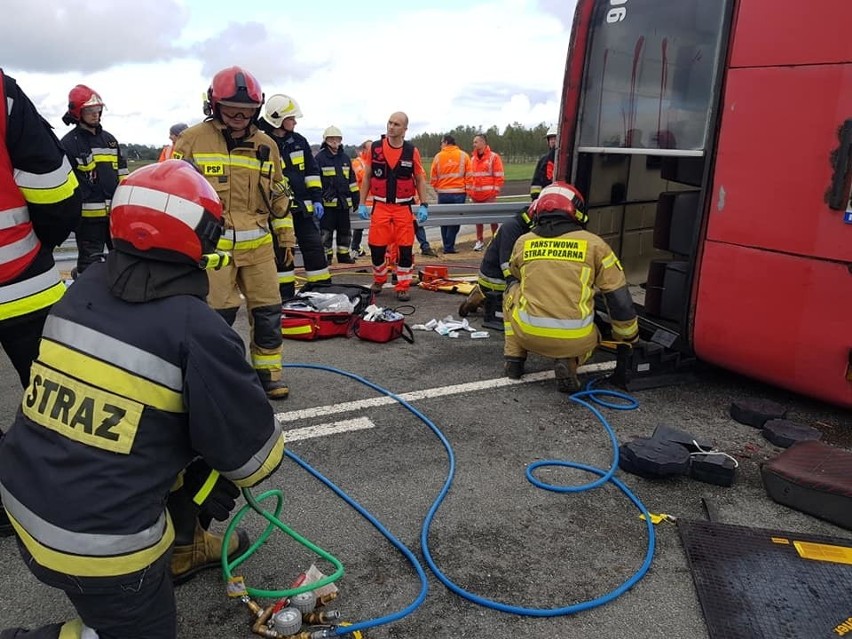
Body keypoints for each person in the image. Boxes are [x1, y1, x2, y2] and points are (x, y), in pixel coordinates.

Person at [0, 160, 285, 639]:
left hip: (22, 500)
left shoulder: (80, 288)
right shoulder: (198, 331)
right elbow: (257, 460)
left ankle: (182, 547)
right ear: (204, 237)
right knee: (215, 446)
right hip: (98, 550)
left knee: (163, 424)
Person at [172, 66, 294, 400]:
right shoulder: (192, 141)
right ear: (214, 104)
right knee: (216, 319)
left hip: (259, 246)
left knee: (268, 311)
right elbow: (175, 193)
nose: (239, 115)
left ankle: (268, 374)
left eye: (247, 110)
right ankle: (212, 378)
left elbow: (280, 198)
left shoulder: (267, 145)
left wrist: (286, 237)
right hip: (213, 251)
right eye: (231, 108)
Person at [0, 69, 82, 537]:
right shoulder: (1, 92)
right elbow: (52, 188)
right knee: (59, 399)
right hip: (20, 282)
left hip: (23, 276)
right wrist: (42, 246)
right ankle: (63, 498)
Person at [503, 181, 638, 392]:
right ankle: (572, 361)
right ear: (576, 212)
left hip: (526, 335)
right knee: (596, 329)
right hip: (576, 340)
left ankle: (514, 359)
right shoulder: (595, 245)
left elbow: (516, 274)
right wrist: (628, 339)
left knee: (511, 291)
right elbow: (619, 300)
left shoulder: (522, 242)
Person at [257, 94, 331, 299]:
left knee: (315, 249)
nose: (295, 122)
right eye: (291, 118)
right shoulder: (261, 142)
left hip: (302, 209)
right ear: (278, 119)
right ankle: (285, 299)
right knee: (283, 254)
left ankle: (322, 294)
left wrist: (317, 198)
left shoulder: (299, 141)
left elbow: (312, 172)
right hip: (277, 212)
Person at [358, 111, 429, 302]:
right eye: (389, 123)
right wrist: (362, 203)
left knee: (405, 249)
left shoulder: (411, 151)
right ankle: (379, 279)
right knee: (376, 247)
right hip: (380, 206)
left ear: (405, 129)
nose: (391, 127)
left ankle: (403, 286)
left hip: (402, 208)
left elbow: (420, 179)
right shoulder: (375, 148)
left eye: (397, 124)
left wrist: (424, 204)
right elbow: (367, 177)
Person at [60, 84, 128, 278]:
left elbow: (123, 176)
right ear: (77, 112)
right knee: (89, 266)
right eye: (89, 110)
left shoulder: (110, 141)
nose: (95, 114)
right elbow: (67, 184)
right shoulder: (69, 144)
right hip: (88, 220)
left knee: (121, 260)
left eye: (97, 110)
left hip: (114, 216)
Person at [457, 202, 534, 331]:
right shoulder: (512, 228)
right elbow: (505, 263)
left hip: (499, 275)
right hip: (494, 279)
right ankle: (478, 298)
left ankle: (484, 299)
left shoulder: (523, 227)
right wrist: (513, 287)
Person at [314, 126, 359, 264]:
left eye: (337, 138)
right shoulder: (320, 158)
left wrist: (356, 195)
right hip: (327, 204)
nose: (335, 141)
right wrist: (318, 198)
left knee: (344, 231)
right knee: (326, 232)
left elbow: (351, 179)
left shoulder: (345, 158)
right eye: (331, 138)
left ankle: (343, 255)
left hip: (343, 203)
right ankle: (326, 256)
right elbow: (316, 179)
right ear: (326, 140)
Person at [430, 134, 470, 253]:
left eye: (441, 142)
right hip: (459, 193)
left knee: (444, 220)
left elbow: (433, 176)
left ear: (446, 142)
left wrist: (437, 187)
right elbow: (469, 175)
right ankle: (449, 246)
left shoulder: (438, 157)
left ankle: (447, 245)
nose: (440, 145)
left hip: (443, 193)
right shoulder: (464, 156)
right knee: (455, 220)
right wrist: (467, 189)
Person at [468, 133, 505, 251]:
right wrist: (470, 192)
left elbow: (499, 176)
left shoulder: (493, 157)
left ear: (483, 143)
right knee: (478, 220)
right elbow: (470, 176)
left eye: (476, 142)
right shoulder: (472, 159)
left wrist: (494, 191)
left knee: (492, 219)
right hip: (476, 195)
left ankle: (495, 240)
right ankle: (479, 241)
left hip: (489, 195)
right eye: (474, 142)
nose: (474, 144)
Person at [349, 139, 372, 256]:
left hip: (374, 202)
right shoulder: (358, 162)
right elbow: (363, 178)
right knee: (359, 228)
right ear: (364, 150)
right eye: (370, 149)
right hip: (362, 201)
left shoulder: (373, 161)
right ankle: (355, 248)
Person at [530, 124, 557, 200]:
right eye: (550, 139)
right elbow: (536, 182)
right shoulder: (543, 160)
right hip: (545, 198)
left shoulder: (568, 159)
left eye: (555, 138)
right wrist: (535, 199)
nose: (552, 141)